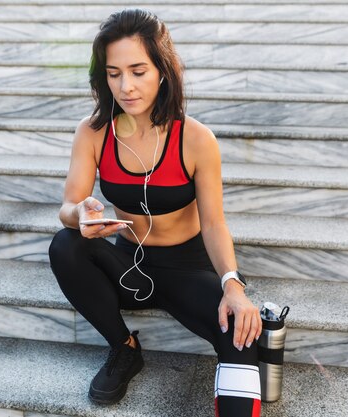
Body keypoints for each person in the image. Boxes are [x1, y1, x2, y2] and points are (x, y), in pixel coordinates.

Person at [48, 9, 262, 417]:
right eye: (113, 73)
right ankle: (124, 349)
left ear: (162, 71)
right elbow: (67, 207)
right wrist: (82, 215)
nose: (125, 86)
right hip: (128, 260)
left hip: (187, 264)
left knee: (242, 335)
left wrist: (233, 286)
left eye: (138, 71)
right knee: (66, 246)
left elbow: (215, 222)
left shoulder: (196, 139)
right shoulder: (93, 132)